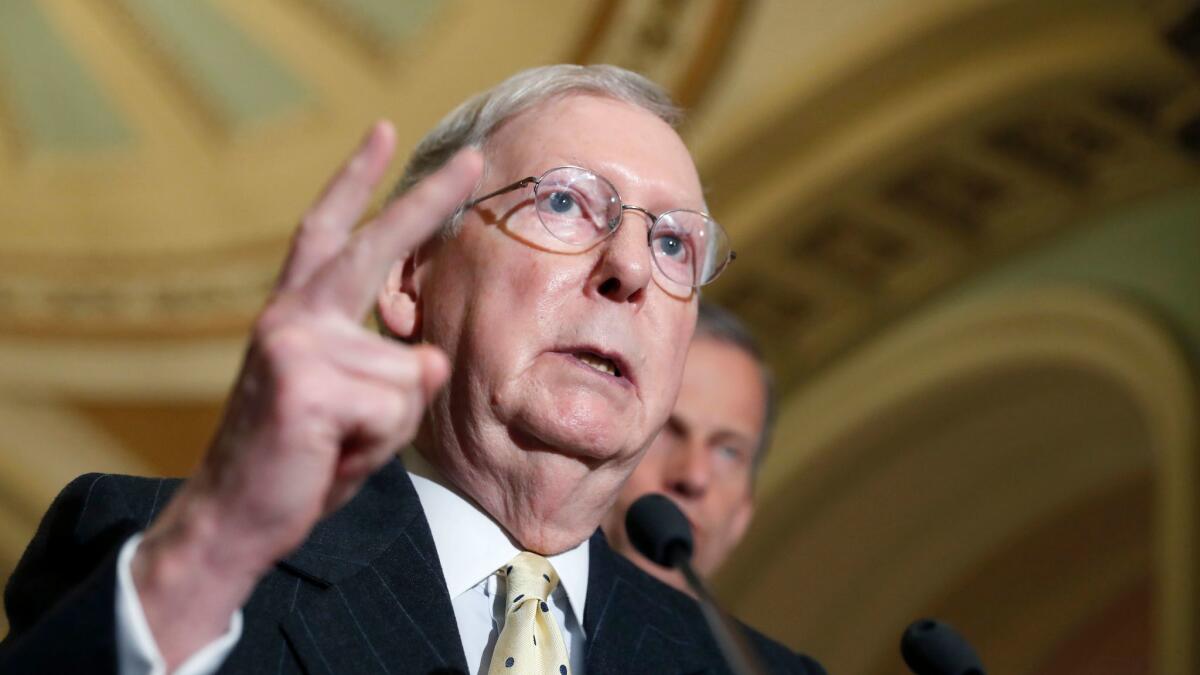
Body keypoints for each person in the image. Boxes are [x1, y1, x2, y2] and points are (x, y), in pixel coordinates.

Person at [0, 65, 823, 675]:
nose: (632, 268)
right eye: (567, 203)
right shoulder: (168, 561)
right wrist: (211, 554)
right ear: (407, 276)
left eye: (674, 241)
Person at [602, 301, 772, 593]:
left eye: (728, 452)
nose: (694, 476)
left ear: (743, 515)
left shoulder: (734, 642)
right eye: (666, 429)